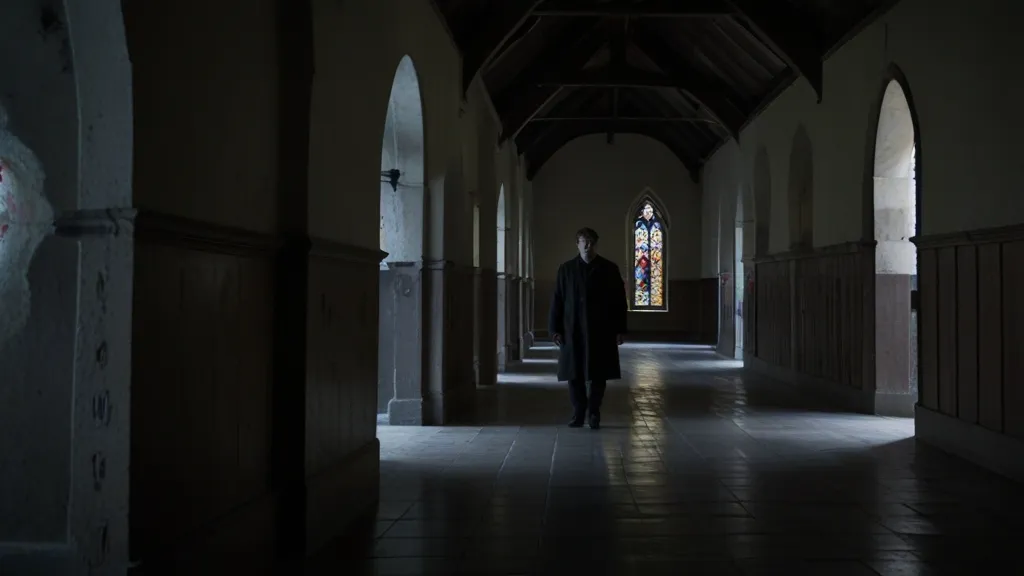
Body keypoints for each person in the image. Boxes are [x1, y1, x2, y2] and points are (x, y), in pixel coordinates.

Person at [548, 227, 627, 429]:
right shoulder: (566, 269)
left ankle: (594, 411)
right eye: (583, 241)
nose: (587, 245)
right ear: (577, 244)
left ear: (596, 244)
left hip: (601, 330)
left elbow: (619, 301)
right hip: (572, 329)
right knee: (574, 374)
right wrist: (554, 329)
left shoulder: (609, 269)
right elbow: (557, 300)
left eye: (591, 241)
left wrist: (620, 329)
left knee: (598, 374)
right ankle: (578, 412)